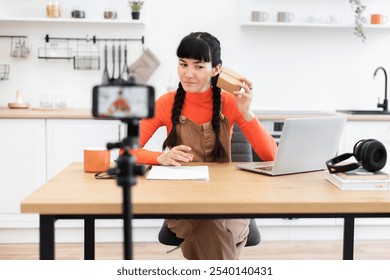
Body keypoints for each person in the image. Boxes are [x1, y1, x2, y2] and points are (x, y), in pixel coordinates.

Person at [133, 31, 277, 260]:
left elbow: (271, 155)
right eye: (183, 64)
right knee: (215, 229)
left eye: (199, 66)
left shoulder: (230, 103)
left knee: (214, 229)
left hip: (229, 200)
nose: (188, 74)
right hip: (183, 202)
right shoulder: (165, 103)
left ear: (216, 69)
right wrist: (158, 158)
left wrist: (247, 113)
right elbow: (126, 151)